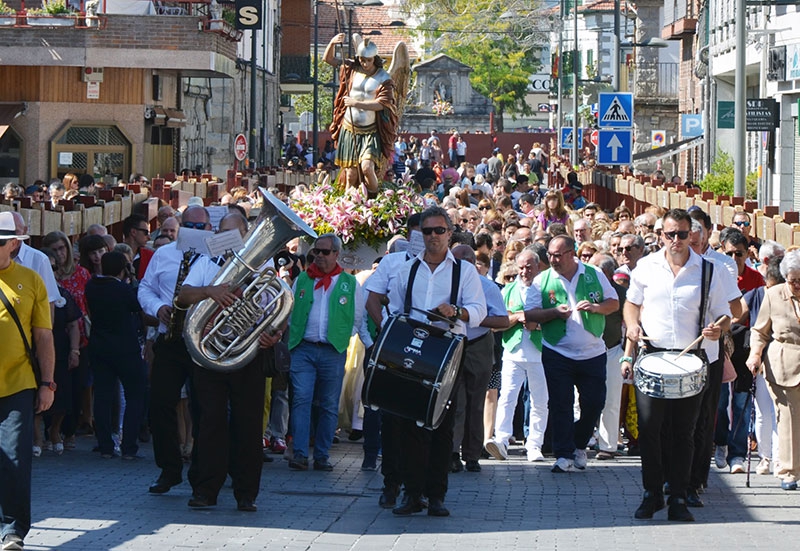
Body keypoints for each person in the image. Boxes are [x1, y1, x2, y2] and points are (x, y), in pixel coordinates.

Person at [622, 208, 732, 522]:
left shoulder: (709, 270)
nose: (676, 240)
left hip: (691, 359)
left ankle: (680, 497)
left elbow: (726, 314)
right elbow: (632, 303)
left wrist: (717, 328)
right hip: (653, 356)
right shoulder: (646, 266)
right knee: (651, 430)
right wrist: (632, 327)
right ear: (661, 235)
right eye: (670, 234)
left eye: (682, 235)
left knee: (685, 432)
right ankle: (651, 493)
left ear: (691, 235)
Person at [176, 212, 282, 511]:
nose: (227, 240)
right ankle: (205, 489)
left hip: (248, 353)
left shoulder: (263, 265)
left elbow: (277, 306)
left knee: (248, 425)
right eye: (222, 233)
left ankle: (246, 492)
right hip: (210, 355)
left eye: (233, 234)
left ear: (247, 235)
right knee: (210, 421)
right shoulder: (207, 262)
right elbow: (183, 296)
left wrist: (273, 334)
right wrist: (209, 291)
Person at [387, 206, 487, 517]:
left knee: (441, 427)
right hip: (412, 353)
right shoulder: (406, 271)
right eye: (427, 231)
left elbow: (479, 311)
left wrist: (456, 312)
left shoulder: (465, 272)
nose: (433, 237)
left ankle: (437, 495)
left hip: (447, 355)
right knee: (409, 425)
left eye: (439, 231)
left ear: (449, 233)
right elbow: (393, 310)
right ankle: (412, 493)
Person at [524, 235, 618, 473]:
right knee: (560, 404)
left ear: (571, 253)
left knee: (595, 403)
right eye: (550, 255)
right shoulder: (542, 280)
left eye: (558, 255)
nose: (553, 260)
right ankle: (563, 454)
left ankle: (578, 443)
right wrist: (554, 312)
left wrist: (596, 308)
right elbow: (530, 314)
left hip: (593, 352)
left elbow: (614, 303)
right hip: (557, 350)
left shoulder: (593, 273)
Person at [138, 206, 212, 495]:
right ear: (181, 227)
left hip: (203, 341)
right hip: (170, 338)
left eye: (201, 226)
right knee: (160, 403)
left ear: (209, 228)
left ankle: (202, 471)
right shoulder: (164, 254)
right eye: (190, 225)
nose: (195, 230)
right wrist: (158, 308)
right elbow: (145, 289)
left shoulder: (216, 256)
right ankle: (169, 469)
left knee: (204, 408)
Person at [0, 211, 56, 551]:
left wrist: (48, 383)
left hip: (18, 383)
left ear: (14, 244)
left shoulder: (31, 280)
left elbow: (44, 337)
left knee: (15, 459)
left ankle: (12, 530)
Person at [287, 233, 364, 472]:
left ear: (336, 254)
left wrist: (342, 336)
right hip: (304, 348)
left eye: (325, 252)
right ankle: (300, 453)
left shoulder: (349, 283)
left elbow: (357, 317)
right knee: (301, 399)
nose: (319, 256)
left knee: (329, 404)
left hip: (333, 350)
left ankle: (321, 455)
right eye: (316, 252)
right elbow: (291, 311)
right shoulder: (302, 279)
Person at [364, 214, 421, 508]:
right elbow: (372, 299)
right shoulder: (392, 263)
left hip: (427, 346)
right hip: (395, 344)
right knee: (391, 418)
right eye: (417, 233)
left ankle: (418, 486)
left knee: (421, 421)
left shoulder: (443, 265)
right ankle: (391, 483)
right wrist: (386, 331)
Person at [486, 247, 548, 462]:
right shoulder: (507, 290)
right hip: (512, 351)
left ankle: (534, 445)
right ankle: (501, 440)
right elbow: (497, 322)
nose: (524, 272)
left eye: (529, 267)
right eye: (521, 267)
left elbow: (556, 317)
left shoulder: (546, 289)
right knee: (507, 397)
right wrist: (517, 318)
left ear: (538, 267)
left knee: (539, 401)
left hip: (540, 353)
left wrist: (537, 323)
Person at [450, 245, 508, 473]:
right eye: (455, 261)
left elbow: (502, 320)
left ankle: (472, 455)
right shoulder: (446, 283)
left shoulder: (487, 286)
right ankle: (452, 453)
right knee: (455, 402)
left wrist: (471, 317)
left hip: (477, 344)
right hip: (451, 342)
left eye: (465, 261)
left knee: (476, 402)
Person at [85, 252, 146, 460]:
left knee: (102, 395)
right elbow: (138, 309)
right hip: (125, 348)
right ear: (122, 269)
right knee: (135, 395)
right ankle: (129, 446)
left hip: (100, 346)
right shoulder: (123, 289)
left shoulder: (91, 287)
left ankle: (105, 446)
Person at [746, 251, 800, 490]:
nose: (797, 285)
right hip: (783, 361)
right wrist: (755, 354)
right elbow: (760, 331)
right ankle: (789, 470)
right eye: (792, 280)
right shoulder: (773, 295)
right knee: (787, 418)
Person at [324, 33, 397, 194]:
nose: (365, 63)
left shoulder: (384, 78)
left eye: (368, 60)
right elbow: (329, 60)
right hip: (350, 128)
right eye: (362, 60)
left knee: (366, 168)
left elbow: (383, 103)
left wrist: (356, 103)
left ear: (375, 59)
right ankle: (351, 206)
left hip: (370, 131)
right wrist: (332, 43)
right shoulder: (351, 69)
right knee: (350, 175)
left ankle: (375, 199)